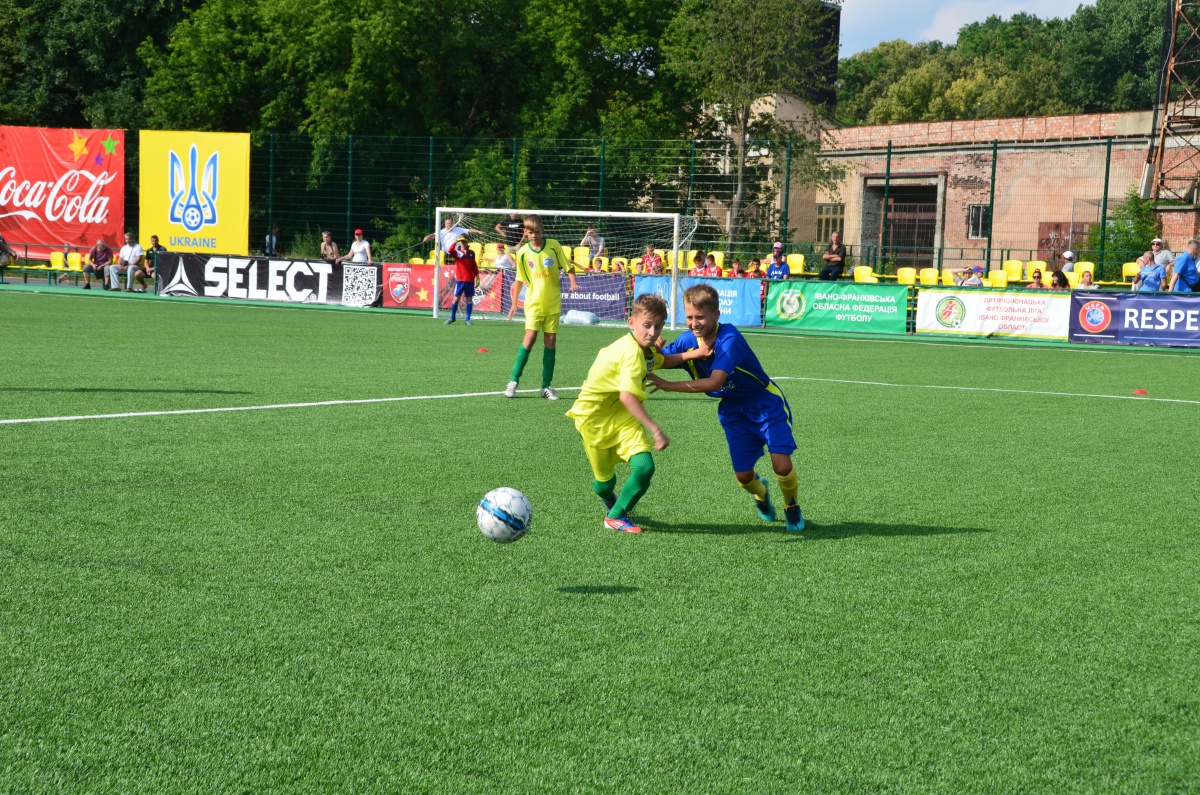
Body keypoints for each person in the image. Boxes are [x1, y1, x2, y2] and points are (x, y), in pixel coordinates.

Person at [649, 283, 805, 532]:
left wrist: (668, 386)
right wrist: (652, 349)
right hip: (733, 411)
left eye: (700, 317)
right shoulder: (687, 340)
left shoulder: (729, 339)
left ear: (716, 316)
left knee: (782, 465)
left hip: (765, 403)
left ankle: (791, 504)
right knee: (744, 477)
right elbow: (662, 359)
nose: (694, 322)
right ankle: (760, 492)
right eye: (689, 317)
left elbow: (715, 381)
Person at [566, 293, 709, 534]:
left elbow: (659, 362)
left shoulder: (643, 348)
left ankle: (615, 516)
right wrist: (656, 430)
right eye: (646, 325)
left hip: (623, 419)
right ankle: (610, 500)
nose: (652, 332)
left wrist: (695, 353)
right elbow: (627, 396)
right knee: (604, 485)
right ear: (631, 323)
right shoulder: (630, 353)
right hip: (593, 421)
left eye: (658, 326)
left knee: (644, 467)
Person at [504, 214, 579, 400]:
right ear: (525, 232)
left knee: (551, 341)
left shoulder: (553, 246)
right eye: (530, 232)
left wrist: (572, 282)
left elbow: (568, 267)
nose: (534, 235)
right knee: (529, 339)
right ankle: (513, 381)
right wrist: (514, 304)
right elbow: (519, 280)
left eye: (537, 232)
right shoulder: (522, 253)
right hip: (533, 304)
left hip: (553, 303)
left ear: (542, 231)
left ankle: (546, 386)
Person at [443, 237, 479, 326]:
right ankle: (452, 317)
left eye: (464, 241)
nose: (463, 243)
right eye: (461, 242)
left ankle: (467, 319)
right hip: (460, 280)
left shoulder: (471, 253)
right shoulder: (457, 253)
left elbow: (474, 265)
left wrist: (477, 276)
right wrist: (455, 241)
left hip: (470, 279)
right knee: (456, 299)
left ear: (467, 242)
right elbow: (450, 250)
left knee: (469, 299)